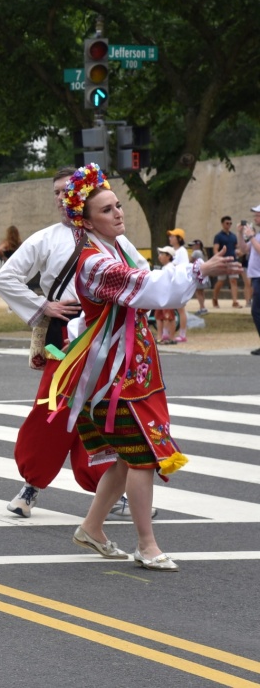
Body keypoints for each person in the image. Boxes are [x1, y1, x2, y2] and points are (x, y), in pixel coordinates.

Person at [50, 164, 239, 571]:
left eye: (118, 205)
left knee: (128, 457)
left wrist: (192, 272)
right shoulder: (94, 262)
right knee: (142, 457)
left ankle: (92, 528)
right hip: (113, 376)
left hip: (132, 368)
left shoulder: (116, 247)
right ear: (86, 221)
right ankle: (147, 544)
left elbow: (148, 279)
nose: (118, 213)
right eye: (107, 210)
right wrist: (199, 269)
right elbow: (148, 288)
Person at [0, 167, 149, 519]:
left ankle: (108, 490)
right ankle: (32, 484)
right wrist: (42, 306)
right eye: (57, 192)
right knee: (53, 409)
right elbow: (6, 278)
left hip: (107, 334)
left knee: (103, 411)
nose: (63, 197)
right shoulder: (46, 238)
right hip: (66, 334)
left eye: (69, 190)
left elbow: (144, 279)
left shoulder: (115, 241)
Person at [241, 204, 260, 355]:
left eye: (258, 215)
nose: (255, 218)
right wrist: (240, 233)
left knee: (256, 310)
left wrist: (252, 237)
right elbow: (244, 249)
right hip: (256, 277)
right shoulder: (257, 236)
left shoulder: (256, 236)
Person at [166, 228, 189, 342]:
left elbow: (183, 267)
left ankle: (182, 334)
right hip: (172, 282)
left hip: (179, 283)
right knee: (170, 308)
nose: (170, 238)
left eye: (173, 236)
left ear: (179, 239)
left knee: (181, 309)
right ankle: (167, 332)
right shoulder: (173, 251)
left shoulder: (182, 251)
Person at [211, 216, 240, 308]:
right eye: (227, 223)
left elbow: (236, 247)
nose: (229, 225)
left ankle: (235, 301)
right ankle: (215, 298)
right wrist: (218, 259)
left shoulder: (233, 236)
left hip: (233, 260)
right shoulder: (218, 236)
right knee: (221, 281)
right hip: (223, 261)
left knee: (233, 280)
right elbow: (215, 249)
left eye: (230, 223)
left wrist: (238, 252)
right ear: (222, 224)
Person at [153, 247, 178, 344]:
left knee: (169, 317)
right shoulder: (165, 268)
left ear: (168, 256)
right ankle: (160, 336)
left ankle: (171, 337)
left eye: (162, 254)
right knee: (159, 316)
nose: (159, 256)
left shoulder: (170, 268)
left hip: (167, 296)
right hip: (161, 295)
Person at [190, 239, 209, 314]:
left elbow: (190, 260)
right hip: (203, 274)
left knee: (198, 292)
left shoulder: (196, 252)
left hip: (198, 274)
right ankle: (203, 307)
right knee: (201, 292)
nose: (192, 247)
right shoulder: (202, 252)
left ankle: (202, 307)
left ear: (197, 245)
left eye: (193, 245)